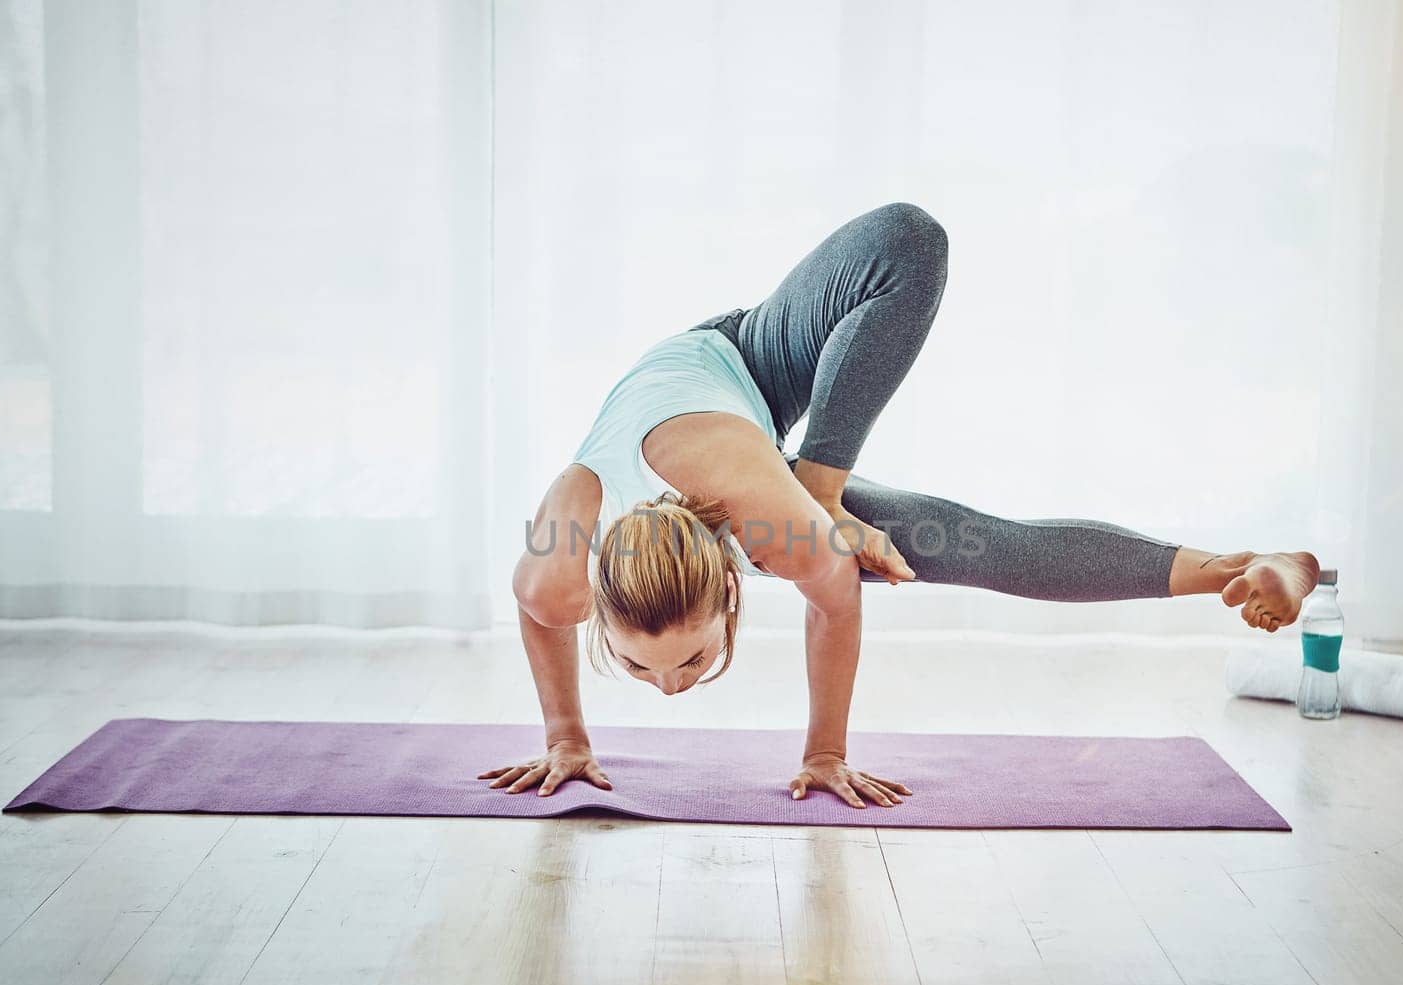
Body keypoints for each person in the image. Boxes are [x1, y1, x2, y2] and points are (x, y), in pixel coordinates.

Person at [481, 202, 1319, 809]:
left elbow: (833, 603)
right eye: (642, 666)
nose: (670, 689)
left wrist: (826, 750)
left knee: (911, 244)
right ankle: (1246, 567)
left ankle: (820, 491)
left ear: (734, 585)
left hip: (744, 362)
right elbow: (541, 616)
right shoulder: (561, 559)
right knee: (969, 548)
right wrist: (566, 738)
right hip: (745, 477)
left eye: (689, 660)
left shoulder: (775, 532)